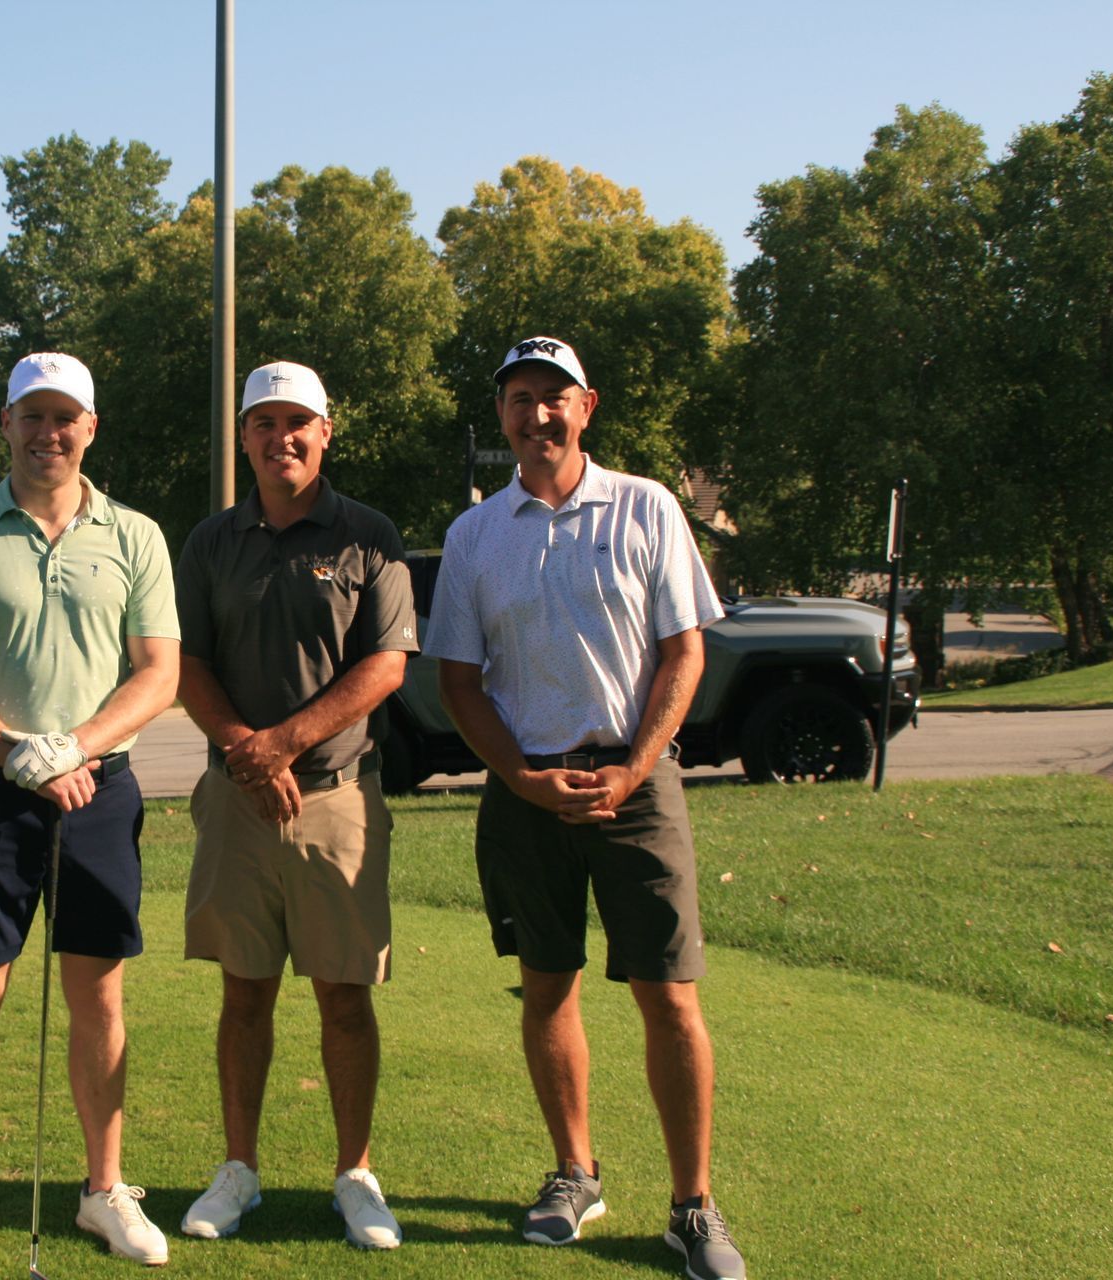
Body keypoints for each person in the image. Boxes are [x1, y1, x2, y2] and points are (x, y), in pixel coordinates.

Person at [422, 337, 748, 1280]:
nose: (537, 415)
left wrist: (636, 768)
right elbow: (459, 680)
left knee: (669, 995)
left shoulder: (647, 506)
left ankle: (692, 1206)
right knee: (547, 985)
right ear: (502, 415)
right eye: (520, 399)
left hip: (637, 788)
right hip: (526, 794)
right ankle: (575, 1173)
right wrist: (522, 778)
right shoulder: (475, 533)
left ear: (586, 406)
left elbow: (684, 652)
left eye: (554, 397)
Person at [0, 351, 181, 1274]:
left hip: (100, 791)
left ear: (90, 428)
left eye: (65, 417)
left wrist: (74, 747)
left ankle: (105, 1189)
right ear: (6, 423)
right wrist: (17, 752)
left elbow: (158, 672)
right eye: (32, 415)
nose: (48, 432)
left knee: (97, 995)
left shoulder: (135, 535)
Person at [172, 361, 417, 1250]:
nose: (283, 438)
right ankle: (239, 1170)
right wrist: (249, 753)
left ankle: (355, 1174)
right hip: (237, 800)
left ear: (326, 431)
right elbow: (186, 665)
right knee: (245, 991)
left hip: (338, 797)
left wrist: (284, 743)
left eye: (298, 422)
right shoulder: (210, 541)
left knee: (344, 996)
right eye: (265, 423)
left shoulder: (368, 535)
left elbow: (385, 666)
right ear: (244, 436)